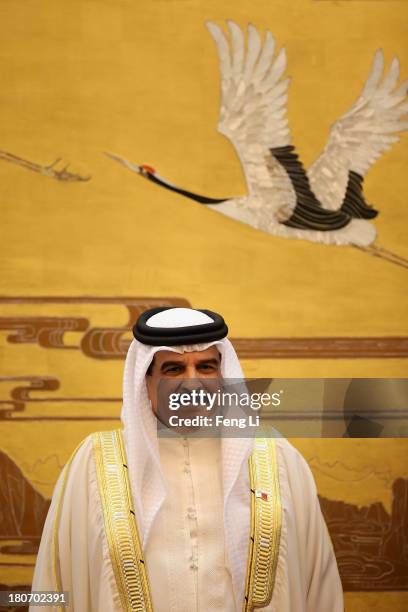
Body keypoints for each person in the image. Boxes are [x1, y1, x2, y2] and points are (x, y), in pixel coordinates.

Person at [30, 307, 344, 611]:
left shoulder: (276, 457)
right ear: (147, 381)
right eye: (174, 369)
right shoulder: (94, 463)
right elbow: (56, 581)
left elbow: (318, 583)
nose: (192, 382)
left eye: (206, 367)